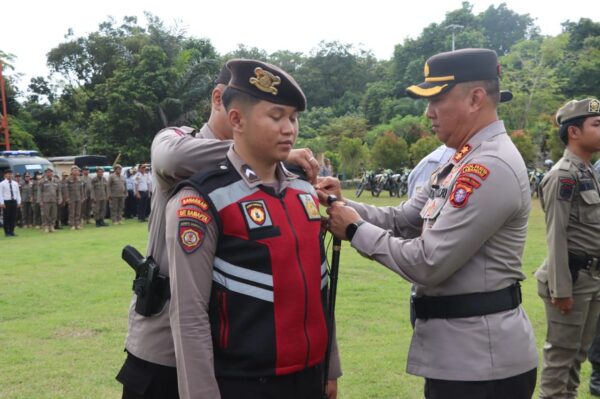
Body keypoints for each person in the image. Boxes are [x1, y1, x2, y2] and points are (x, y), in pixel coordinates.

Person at [318, 48, 538, 399]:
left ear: (475, 98)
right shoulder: (461, 160)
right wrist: (340, 204)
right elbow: (404, 218)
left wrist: (356, 229)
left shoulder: (489, 166)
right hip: (463, 358)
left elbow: (427, 262)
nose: (428, 112)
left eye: (436, 99)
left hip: (481, 366)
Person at [116, 64, 325, 399]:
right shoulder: (176, 140)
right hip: (163, 346)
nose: (285, 128)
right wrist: (260, 155)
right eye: (273, 116)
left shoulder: (270, 173)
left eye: (290, 118)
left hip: (226, 349)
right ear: (222, 101)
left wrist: (265, 159)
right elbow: (172, 158)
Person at [534, 98, 600, 399]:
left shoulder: (589, 173)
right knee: (560, 359)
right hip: (570, 280)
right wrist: (561, 290)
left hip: (590, 279)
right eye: (596, 125)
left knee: (577, 358)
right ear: (574, 132)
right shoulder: (563, 175)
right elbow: (555, 235)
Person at [38, 168, 62, 233]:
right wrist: (40, 201)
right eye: (48, 172)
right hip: (46, 200)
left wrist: (60, 198)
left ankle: (52, 226)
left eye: (50, 172)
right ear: (45, 173)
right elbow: (40, 192)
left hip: (54, 200)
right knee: (46, 214)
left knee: (54, 214)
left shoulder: (56, 181)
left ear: (52, 173)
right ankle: (46, 226)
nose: (49, 173)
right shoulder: (42, 181)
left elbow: (59, 191)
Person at [0, 169, 21, 237]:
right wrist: (1, 203)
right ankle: (7, 232)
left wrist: (19, 201)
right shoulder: (2, 183)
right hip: (6, 201)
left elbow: (18, 193)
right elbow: (0, 194)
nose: (10, 175)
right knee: (7, 217)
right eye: (8, 174)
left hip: (14, 201)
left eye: (11, 174)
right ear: (5, 175)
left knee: (13, 217)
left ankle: (12, 231)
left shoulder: (15, 183)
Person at [65, 165, 84, 230]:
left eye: (77, 170)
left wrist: (82, 197)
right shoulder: (68, 179)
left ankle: (77, 224)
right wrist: (67, 198)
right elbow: (66, 189)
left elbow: (81, 189)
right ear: (71, 171)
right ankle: (72, 224)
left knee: (78, 212)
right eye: (75, 170)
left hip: (78, 197)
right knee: (72, 212)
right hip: (71, 197)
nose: (76, 172)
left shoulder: (79, 179)